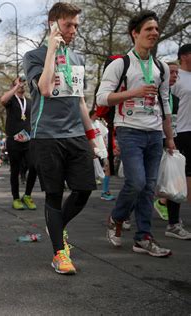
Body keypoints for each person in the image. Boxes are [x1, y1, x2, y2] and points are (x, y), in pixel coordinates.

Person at [23, 2, 96, 275]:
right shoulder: (33, 56)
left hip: (75, 133)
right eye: (68, 25)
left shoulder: (78, 59)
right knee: (53, 195)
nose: (74, 30)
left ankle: (56, 225)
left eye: (76, 25)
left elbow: (80, 102)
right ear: (53, 24)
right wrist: (52, 49)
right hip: (46, 136)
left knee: (84, 188)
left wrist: (92, 136)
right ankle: (59, 253)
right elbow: (43, 88)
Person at [96, 10, 175, 256]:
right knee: (137, 182)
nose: (154, 33)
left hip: (154, 134)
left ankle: (143, 238)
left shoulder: (161, 67)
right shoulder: (121, 64)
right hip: (129, 131)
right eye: (148, 29)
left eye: (156, 30)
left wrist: (170, 138)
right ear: (135, 33)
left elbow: (165, 104)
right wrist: (134, 92)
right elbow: (102, 97)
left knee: (149, 188)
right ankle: (117, 217)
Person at [162, 46, 191, 240]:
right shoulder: (174, 76)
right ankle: (172, 220)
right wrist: (169, 136)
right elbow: (164, 103)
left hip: (186, 131)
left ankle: (173, 220)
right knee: (175, 176)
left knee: (184, 177)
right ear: (184, 56)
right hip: (178, 132)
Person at [0, 77, 37, 210]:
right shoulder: (11, 100)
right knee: (15, 170)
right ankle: (16, 198)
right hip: (13, 141)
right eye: (18, 84)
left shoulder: (30, 101)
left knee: (33, 166)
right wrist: (14, 88)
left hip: (28, 140)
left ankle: (27, 195)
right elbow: (3, 100)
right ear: (13, 86)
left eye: (23, 84)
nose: (22, 85)